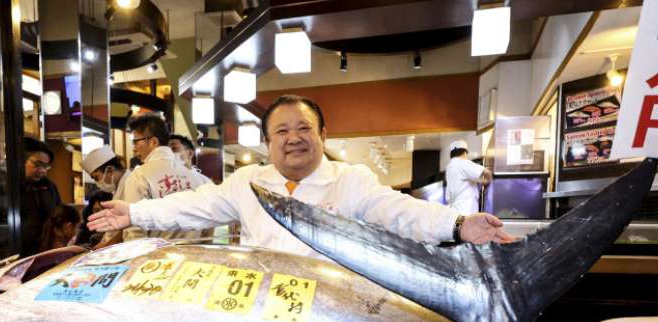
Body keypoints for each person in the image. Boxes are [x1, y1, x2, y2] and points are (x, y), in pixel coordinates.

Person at [89, 94, 513, 254]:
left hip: (333, 307)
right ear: (268, 142)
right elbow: (193, 206)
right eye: (282, 131)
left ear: (322, 134)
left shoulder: (351, 178)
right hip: (263, 305)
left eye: (304, 128)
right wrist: (135, 214)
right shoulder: (247, 181)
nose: (294, 139)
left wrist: (459, 224)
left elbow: (400, 211)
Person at [120, 114, 209, 240]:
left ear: (153, 142)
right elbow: (209, 225)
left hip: (157, 257)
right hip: (194, 254)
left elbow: (134, 229)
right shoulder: (199, 178)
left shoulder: (140, 175)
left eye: (135, 141)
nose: (134, 148)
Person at [0, 137, 61, 264]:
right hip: (9, 257)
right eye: (38, 165)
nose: (42, 171)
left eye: (46, 167)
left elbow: (58, 215)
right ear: (20, 160)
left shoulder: (48, 186)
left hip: (43, 255)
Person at [80, 146, 131, 246]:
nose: (97, 183)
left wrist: (106, 245)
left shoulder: (131, 183)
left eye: (96, 178)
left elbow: (131, 223)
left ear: (110, 170)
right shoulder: (118, 188)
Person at [444, 140, 493, 215]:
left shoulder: (450, 167)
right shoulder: (463, 163)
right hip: (466, 212)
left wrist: (479, 181)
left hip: (454, 213)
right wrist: (486, 182)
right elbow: (486, 172)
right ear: (465, 152)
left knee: (458, 227)